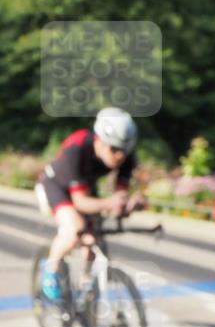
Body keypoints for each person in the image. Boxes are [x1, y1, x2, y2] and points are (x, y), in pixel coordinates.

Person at [35, 107, 145, 302]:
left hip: (85, 188)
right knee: (74, 228)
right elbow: (80, 202)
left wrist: (128, 204)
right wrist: (110, 203)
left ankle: (84, 290)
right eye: (114, 149)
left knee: (93, 240)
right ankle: (50, 271)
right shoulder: (76, 149)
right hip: (56, 185)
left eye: (124, 151)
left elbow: (118, 199)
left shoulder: (125, 157)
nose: (120, 156)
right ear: (99, 140)